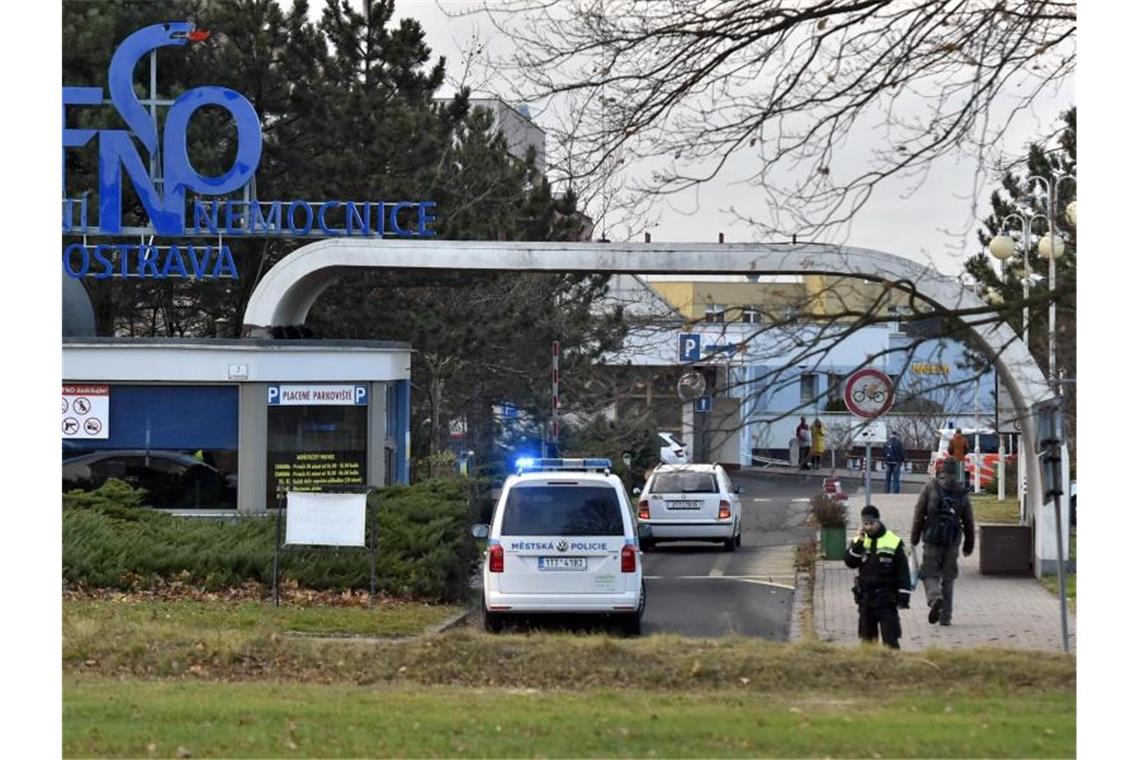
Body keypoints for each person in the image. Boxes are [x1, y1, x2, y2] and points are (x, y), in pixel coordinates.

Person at [911, 464, 975, 626]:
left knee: (929, 573)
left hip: (932, 537)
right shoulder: (961, 491)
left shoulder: (930, 487)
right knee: (948, 578)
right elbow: (968, 521)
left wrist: (915, 537)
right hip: (952, 539)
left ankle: (934, 597)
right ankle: (946, 617)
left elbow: (919, 513)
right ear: (956, 473)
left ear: (941, 472)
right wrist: (969, 544)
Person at [845, 505, 911, 648]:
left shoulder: (893, 541)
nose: (868, 527)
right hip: (866, 599)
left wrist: (904, 596)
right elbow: (850, 563)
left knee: (891, 640)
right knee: (867, 642)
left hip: (886, 599)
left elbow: (903, 571)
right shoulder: (859, 541)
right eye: (865, 524)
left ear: (878, 521)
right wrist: (859, 544)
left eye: (871, 523)